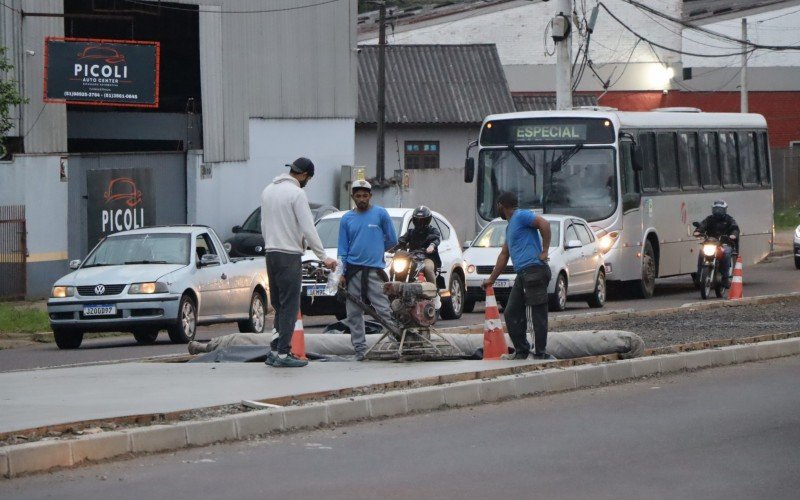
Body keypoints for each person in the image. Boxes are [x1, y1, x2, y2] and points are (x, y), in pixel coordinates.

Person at [261, 157, 336, 368]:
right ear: (303, 175)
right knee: (290, 306)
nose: (306, 183)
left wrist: (270, 244)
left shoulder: (268, 191)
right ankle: (284, 354)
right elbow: (308, 227)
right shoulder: (297, 193)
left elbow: (263, 224)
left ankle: (275, 349)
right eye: (308, 179)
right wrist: (324, 257)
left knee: (278, 305)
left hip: (271, 253)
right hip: (289, 255)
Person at [481, 191, 554, 360]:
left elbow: (544, 224)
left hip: (535, 270)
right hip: (523, 274)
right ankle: (521, 351)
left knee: (536, 314)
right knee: (511, 312)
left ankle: (540, 353)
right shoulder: (510, 227)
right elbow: (504, 255)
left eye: (497, 206)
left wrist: (545, 251)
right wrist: (491, 279)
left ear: (501, 205)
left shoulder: (521, 216)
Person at [338, 179, 398, 360]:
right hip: (353, 272)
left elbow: (392, 240)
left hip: (374, 271)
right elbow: (343, 250)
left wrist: (376, 251)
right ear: (353, 197)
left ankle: (398, 342)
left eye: (365, 195)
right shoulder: (347, 219)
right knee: (354, 313)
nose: (362, 199)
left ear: (370, 196)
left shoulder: (381, 214)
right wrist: (341, 273)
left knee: (383, 309)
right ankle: (360, 350)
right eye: (358, 196)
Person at [394, 205, 442, 310]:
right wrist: (393, 247)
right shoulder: (411, 232)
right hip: (412, 258)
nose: (420, 222)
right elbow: (402, 240)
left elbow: (436, 239)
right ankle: (395, 292)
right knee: (398, 266)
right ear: (414, 220)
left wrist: (432, 246)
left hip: (427, 257)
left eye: (423, 220)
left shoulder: (432, 231)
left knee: (428, 268)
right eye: (418, 220)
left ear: (427, 220)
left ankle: (434, 294)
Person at [694, 199, 740, 288]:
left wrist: (733, 235)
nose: (718, 211)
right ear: (713, 210)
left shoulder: (729, 219)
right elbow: (702, 225)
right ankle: (699, 275)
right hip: (711, 243)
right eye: (716, 209)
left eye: (720, 209)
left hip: (724, 244)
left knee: (726, 253)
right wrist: (698, 231)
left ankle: (725, 278)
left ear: (725, 210)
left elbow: (735, 228)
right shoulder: (709, 219)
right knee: (701, 252)